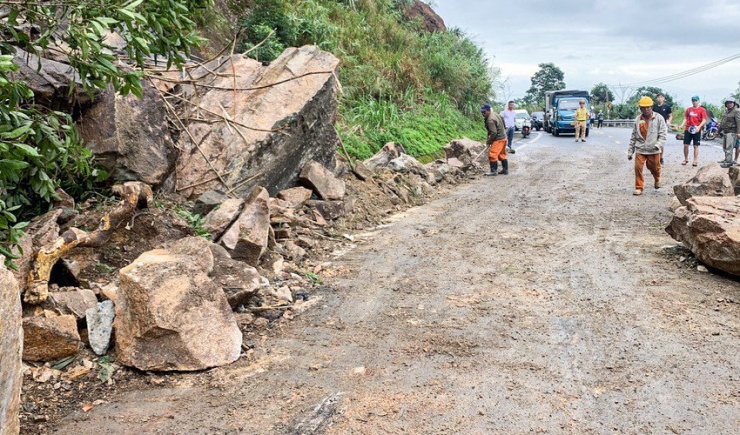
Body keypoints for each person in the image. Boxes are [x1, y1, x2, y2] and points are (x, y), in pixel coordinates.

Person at [628, 96, 667, 196]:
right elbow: (633, 136)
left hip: (654, 149)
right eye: (643, 108)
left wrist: (658, 145)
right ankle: (639, 187)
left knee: (654, 167)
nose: (645, 110)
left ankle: (657, 178)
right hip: (640, 148)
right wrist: (630, 151)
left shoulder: (658, 118)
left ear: (651, 107)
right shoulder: (638, 119)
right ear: (640, 108)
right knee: (638, 168)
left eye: (648, 107)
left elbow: (663, 134)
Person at [677, 95, 707, 166]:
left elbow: (704, 120)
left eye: (696, 101)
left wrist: (699, 127)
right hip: (688, 129)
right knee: (686, 145)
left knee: (696, 146)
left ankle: (695, 160)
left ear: (698, 101)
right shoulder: (689, 109)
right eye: (693, 101)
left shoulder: (702, 110)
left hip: (696, 129)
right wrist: (682, 125)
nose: (694, 102)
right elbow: (685, 118)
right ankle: (686, 159)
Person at [481, 104, 509, 176]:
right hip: (503, 137)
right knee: (502, 154)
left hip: (498, 139)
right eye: (482, 112)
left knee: (492, 154)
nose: (483, 114)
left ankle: (493, 171)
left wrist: (489, 141)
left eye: (484, 112)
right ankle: (505, 170)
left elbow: (493, 132)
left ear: (489, 110)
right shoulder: (495, 114)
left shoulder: (490, 119)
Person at [719, 97, 740, 168]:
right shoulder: (726, 111)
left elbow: (738, 122)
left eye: (731, 103)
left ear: (734, 103)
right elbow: (722, 123)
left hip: (732, 132)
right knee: (725, 147)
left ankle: (729, 162)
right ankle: (726, 159)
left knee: (729, 147)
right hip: (725, 131)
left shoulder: (736, 111)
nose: (730, 104)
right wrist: (717, 132)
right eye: (728, 103)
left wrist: (738, 132)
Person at [652, 93, 672, 164]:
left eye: (661, 97)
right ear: (657, 98)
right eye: (658, 97)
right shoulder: (654, 106)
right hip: (654, 126)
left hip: (663, 127)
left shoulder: (667, 107)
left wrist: (669, 122)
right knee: (654, 142)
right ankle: (654, 157)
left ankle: (661, 157)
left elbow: (670, 115)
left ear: (663, 98)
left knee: (661, 143)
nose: (660, 98)